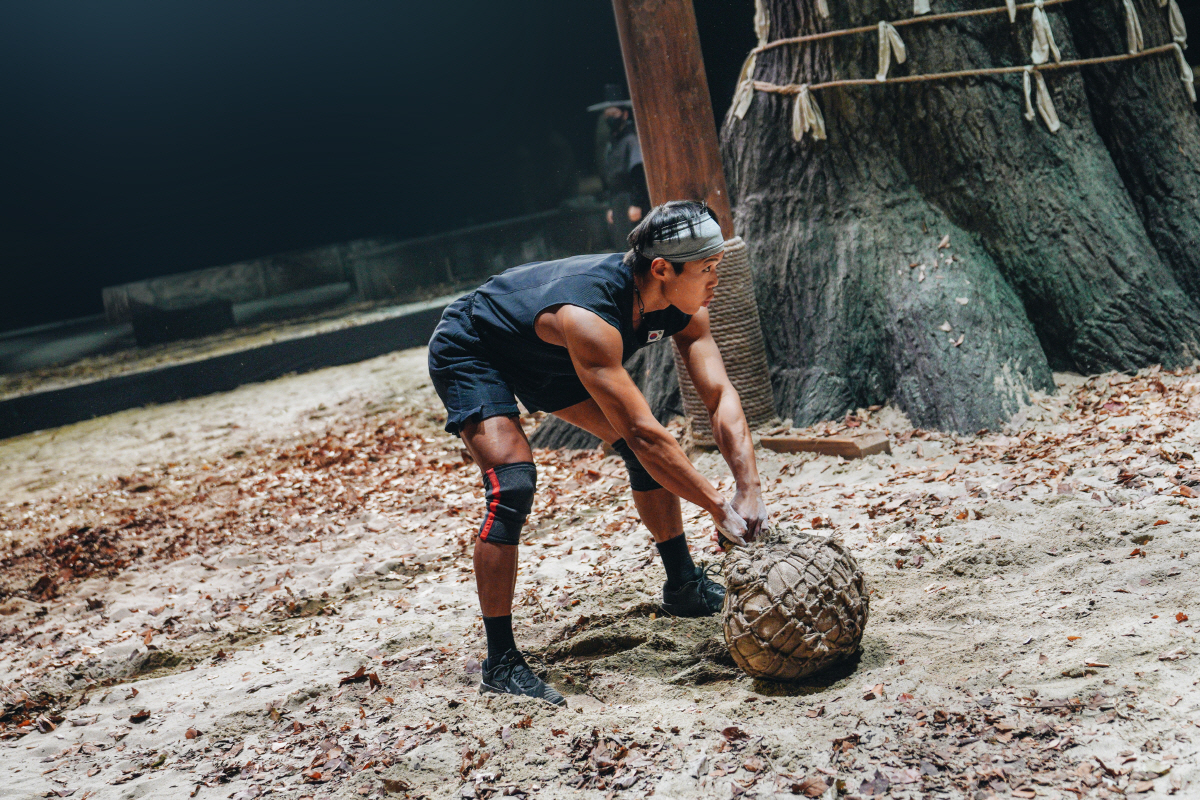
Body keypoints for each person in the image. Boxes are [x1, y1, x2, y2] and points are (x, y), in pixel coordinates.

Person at [427, 201, 769, 706]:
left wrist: (749, 487)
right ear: (661, 269)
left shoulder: (687, 303)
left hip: (547, 356)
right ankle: (499, 661)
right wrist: (718, 508)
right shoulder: (591, 315)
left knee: (641, 454)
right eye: (706, 269)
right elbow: (645, 433)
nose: (716, 278)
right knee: (513, 485)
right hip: (476, 347)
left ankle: (683, 587)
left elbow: (719, 395)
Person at [588, 84, 651, 251]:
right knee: (621, 244)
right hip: (617, 200)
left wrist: (636, 203)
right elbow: (609, 177)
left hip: (630, 198)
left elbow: (637, 172)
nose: (610, 119)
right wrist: (611, 206)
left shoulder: (630, 140)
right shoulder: (612, 143)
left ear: (624, 115)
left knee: (636, 244)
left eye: (614, 114)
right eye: (607, 115)